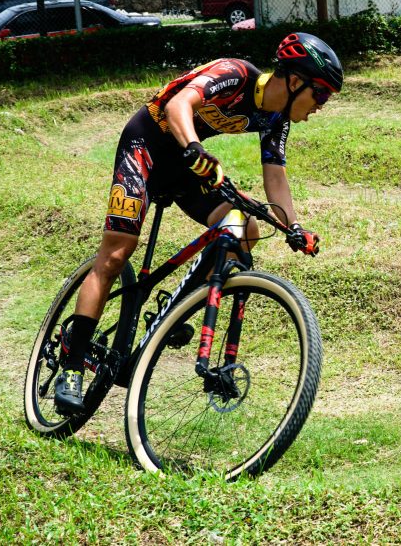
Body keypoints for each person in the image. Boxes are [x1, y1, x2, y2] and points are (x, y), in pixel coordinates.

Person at [54, 32, 342, 414]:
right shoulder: (234, 73)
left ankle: (174, 310)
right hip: (147, 145)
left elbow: (275, 179)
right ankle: (71, 368)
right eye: (319, 94)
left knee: (246, 228)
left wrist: (293, 226)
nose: (321, 105)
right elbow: (178, 104)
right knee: (116, 254)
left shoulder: (276, 120)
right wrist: (194, 148)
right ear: (293, 80)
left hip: (187, 164)